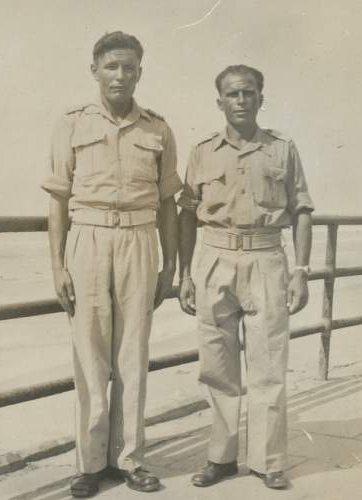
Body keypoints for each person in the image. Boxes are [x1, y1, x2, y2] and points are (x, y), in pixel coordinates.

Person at [41, 31, 182, 497]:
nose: (121, 75)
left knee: (133, 357)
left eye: (130, 67)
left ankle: (131, 460)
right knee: (89, 355)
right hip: (87, 239)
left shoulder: (157, 129)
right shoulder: (70, 124)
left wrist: (169, 265)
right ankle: (89, 464)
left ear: (141, 71)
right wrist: (58, 265)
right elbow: (58, 200)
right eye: (112, 66)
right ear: (95, 70)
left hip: (140, 241)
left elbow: (167, 203)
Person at [178, 64, 313, 490]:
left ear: (260, 99)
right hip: (214, 260)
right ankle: (220, 458)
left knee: (268, 365)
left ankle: (268, 461)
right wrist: (185, 274)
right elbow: (185, 213)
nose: (241, 101)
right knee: (217, 367)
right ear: (219, 102)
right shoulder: (202, 151)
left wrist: (302, 272)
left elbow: (303, 211)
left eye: (248, 93)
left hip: (266, 258)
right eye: (232, 94)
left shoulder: (282, 149)